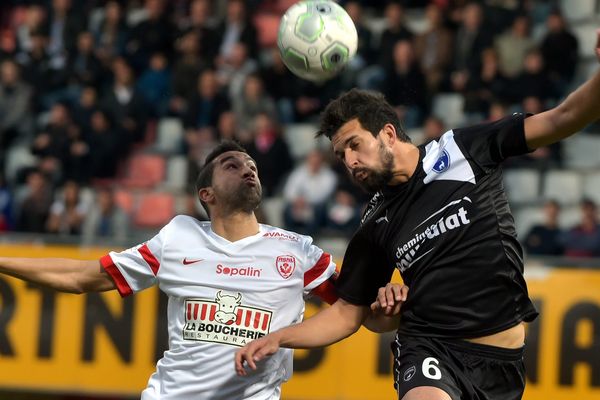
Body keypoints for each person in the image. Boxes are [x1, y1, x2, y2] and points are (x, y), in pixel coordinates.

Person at [236, 30, 600, 400]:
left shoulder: (462, 150)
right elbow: (351, 315)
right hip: (429, 348)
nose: (349, 161)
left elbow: (562, 119)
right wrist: (280, 338)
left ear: (389, 134)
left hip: (503, 359)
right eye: (341, 154)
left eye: (354, 145)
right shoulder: (375, 222)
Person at [0, 140, 401, 399]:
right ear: (206, 194)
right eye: (231, 165)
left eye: (251, 165)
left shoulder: (298, 252)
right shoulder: (177, 238)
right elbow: (80, 277)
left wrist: (388, 313)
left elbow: (362, 319)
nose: (248, 169)